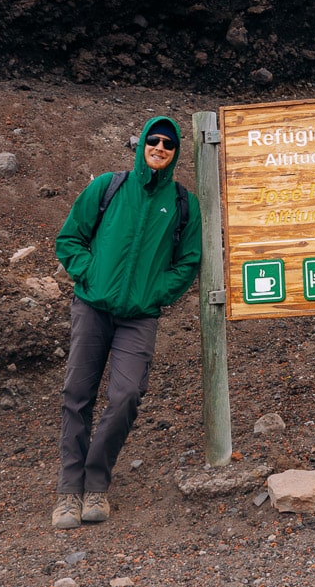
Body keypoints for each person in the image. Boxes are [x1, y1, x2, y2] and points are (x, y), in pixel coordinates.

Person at [51, 117, 202, 528]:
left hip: (139, 317)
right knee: (77, 394)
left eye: (167, 144)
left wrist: (156, 293)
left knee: (127, 395)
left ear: (175, 153)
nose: (159, 147)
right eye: (153, 140)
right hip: (91, 307)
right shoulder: (108, 186)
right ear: (142, 146)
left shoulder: (182, 202)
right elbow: (69, 239)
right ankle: (69, 490)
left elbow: (189, 260)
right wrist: (90, 273)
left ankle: (96, 482)